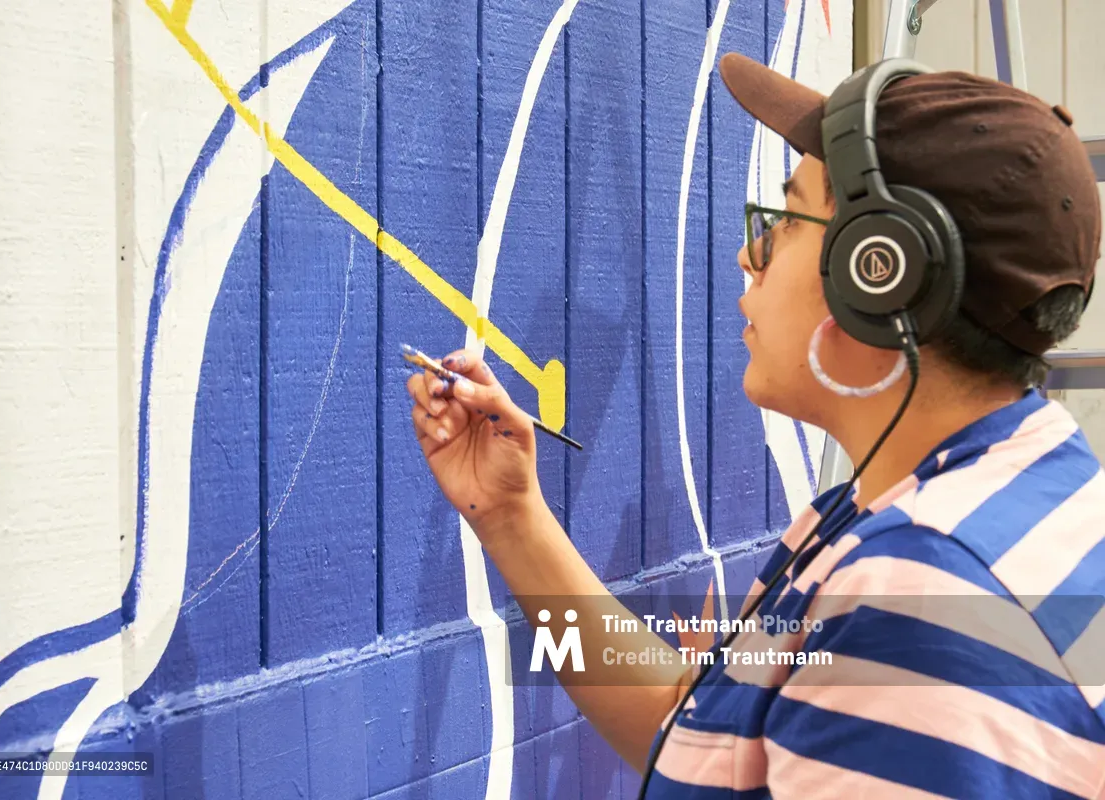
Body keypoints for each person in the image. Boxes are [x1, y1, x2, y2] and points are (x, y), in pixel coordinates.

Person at [406, 52, 1105, 798]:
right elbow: (698, 729)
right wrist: (512, 518)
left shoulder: (914, 605)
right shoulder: (993, 493)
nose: (749, 254)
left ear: (878, 272)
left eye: (786, 221)